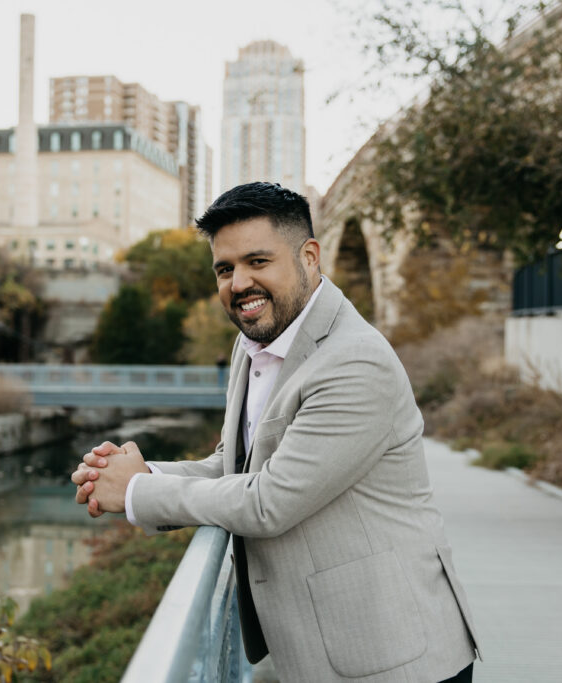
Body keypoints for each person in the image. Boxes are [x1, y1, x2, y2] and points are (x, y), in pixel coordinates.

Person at [71, 182, 480, 682]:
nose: (239, 282)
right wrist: (135, 472)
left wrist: (136, 492)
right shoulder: (254, 345)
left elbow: (269, 502)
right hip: (312, 653)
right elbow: (235, 465)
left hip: (395, 656)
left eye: (257, 262)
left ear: (309, 257)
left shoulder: (354, 361)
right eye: (225, 269)